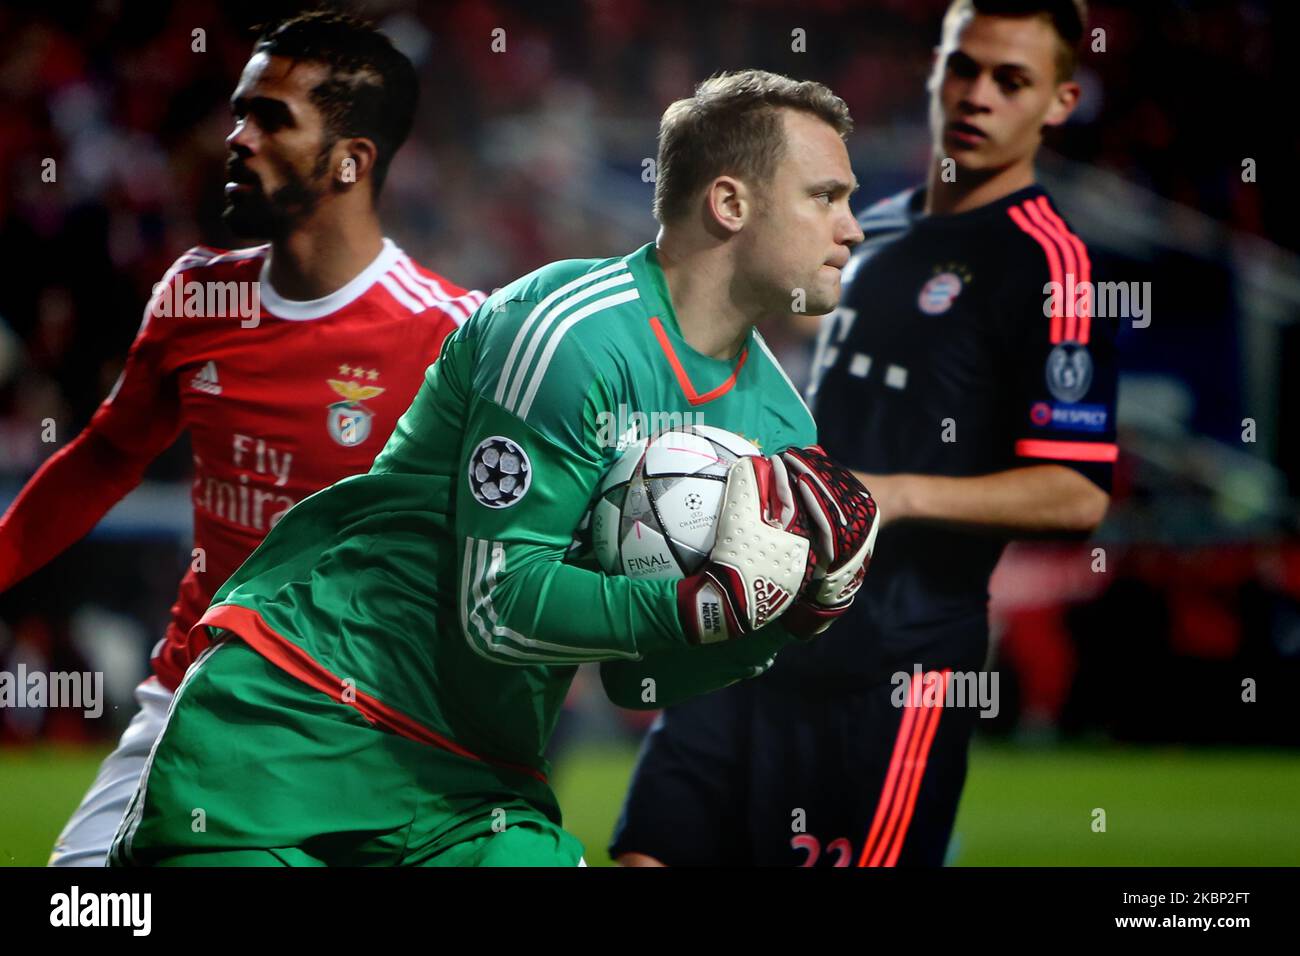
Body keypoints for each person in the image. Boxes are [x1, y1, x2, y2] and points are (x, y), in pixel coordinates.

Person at [107, 69, 877, 867]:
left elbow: (638, 682)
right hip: (299, 721)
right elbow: (498, 604)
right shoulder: (568, 333)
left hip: (474, 789)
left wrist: (781, 622)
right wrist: (703, 609)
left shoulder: (781, 427)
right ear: (730, 204)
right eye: (826, 197)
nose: (852, 229)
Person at [611, 0, 1117, 867]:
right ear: (935, 69)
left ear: (1060, 101)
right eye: (963, 67)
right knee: (647, 852)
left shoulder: (1051, 264)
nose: (978, 95)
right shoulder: (865, 232)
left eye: (1012, 79)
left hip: (895, 663)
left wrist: (894, 494)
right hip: (754, 624)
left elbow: (1077, 493)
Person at [0, 11, 482, 867]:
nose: (237, 138)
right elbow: (106, 457)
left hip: (372, 714)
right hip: (197, 690)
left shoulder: (453, 338)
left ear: (351, 159)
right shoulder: (194, 298)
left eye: (271, 118)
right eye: (238, 112)